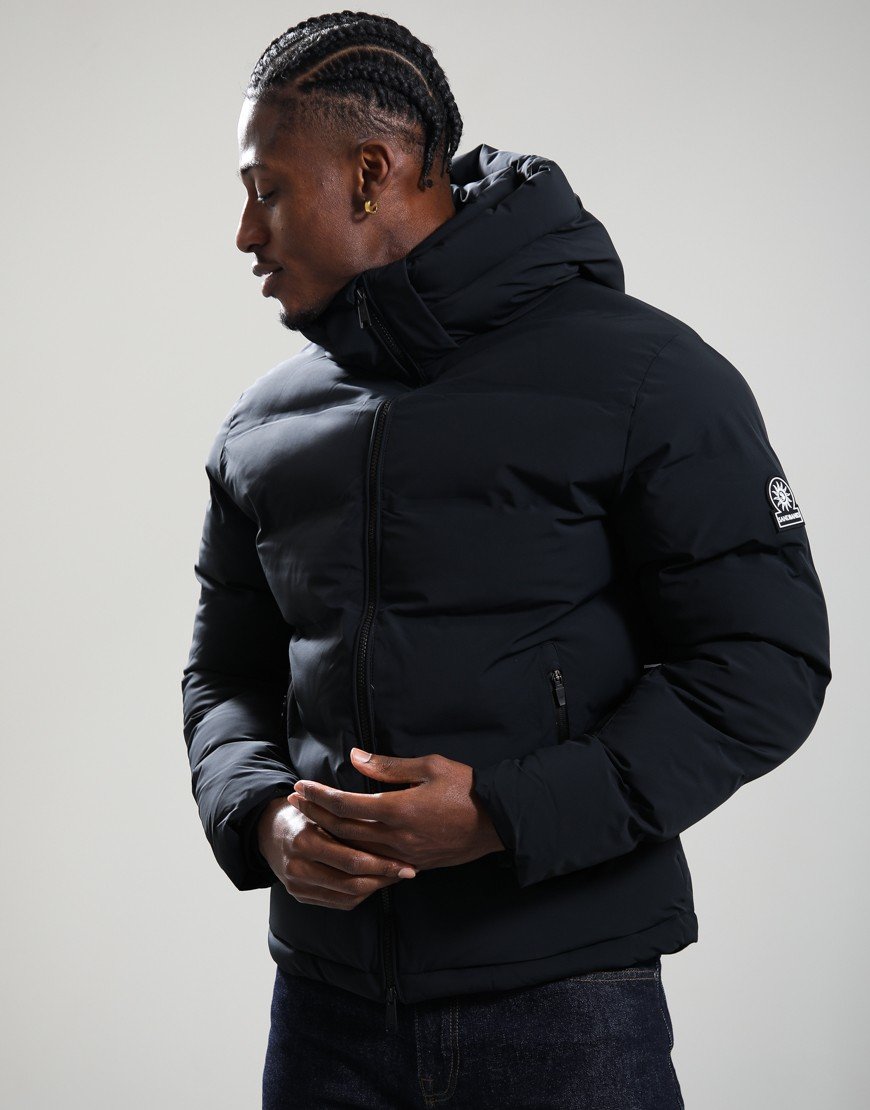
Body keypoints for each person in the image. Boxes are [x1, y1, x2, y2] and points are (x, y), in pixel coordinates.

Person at [180, 10, 832, 1109]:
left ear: (371, 174)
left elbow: (764, 664)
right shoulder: (264, 426)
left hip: (567, 1013)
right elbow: (223, 676)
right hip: (326, 1017)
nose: (245, 232)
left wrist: (506, 812)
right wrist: (260, 816)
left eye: (266, 189)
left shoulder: (646, 378)